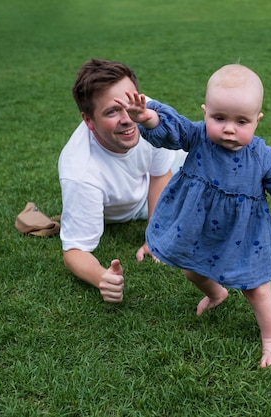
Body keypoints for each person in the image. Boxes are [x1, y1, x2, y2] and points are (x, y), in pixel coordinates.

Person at [115, 63, 271, 368]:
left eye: (241, 121)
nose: (229, 128)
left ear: (257, 120)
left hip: (244, 235)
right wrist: (149, 117)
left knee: (256, 288)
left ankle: (270, 339)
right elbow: (172, 130)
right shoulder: (198, 137)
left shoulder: (260, 155)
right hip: (199, 227)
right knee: (193, 270)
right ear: (205, 113)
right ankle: (217, 295)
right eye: (219, 118)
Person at [58, 58, 185, 303]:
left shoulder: (147, 115)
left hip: (153, 181)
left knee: (211, 154)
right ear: (88, 121)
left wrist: (154, 234)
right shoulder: (81, 172)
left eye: (129, 103)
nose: (128, 118)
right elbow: (74, 250)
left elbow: (160, 174)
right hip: (124, 206)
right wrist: (100, 277)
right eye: (111, 112)